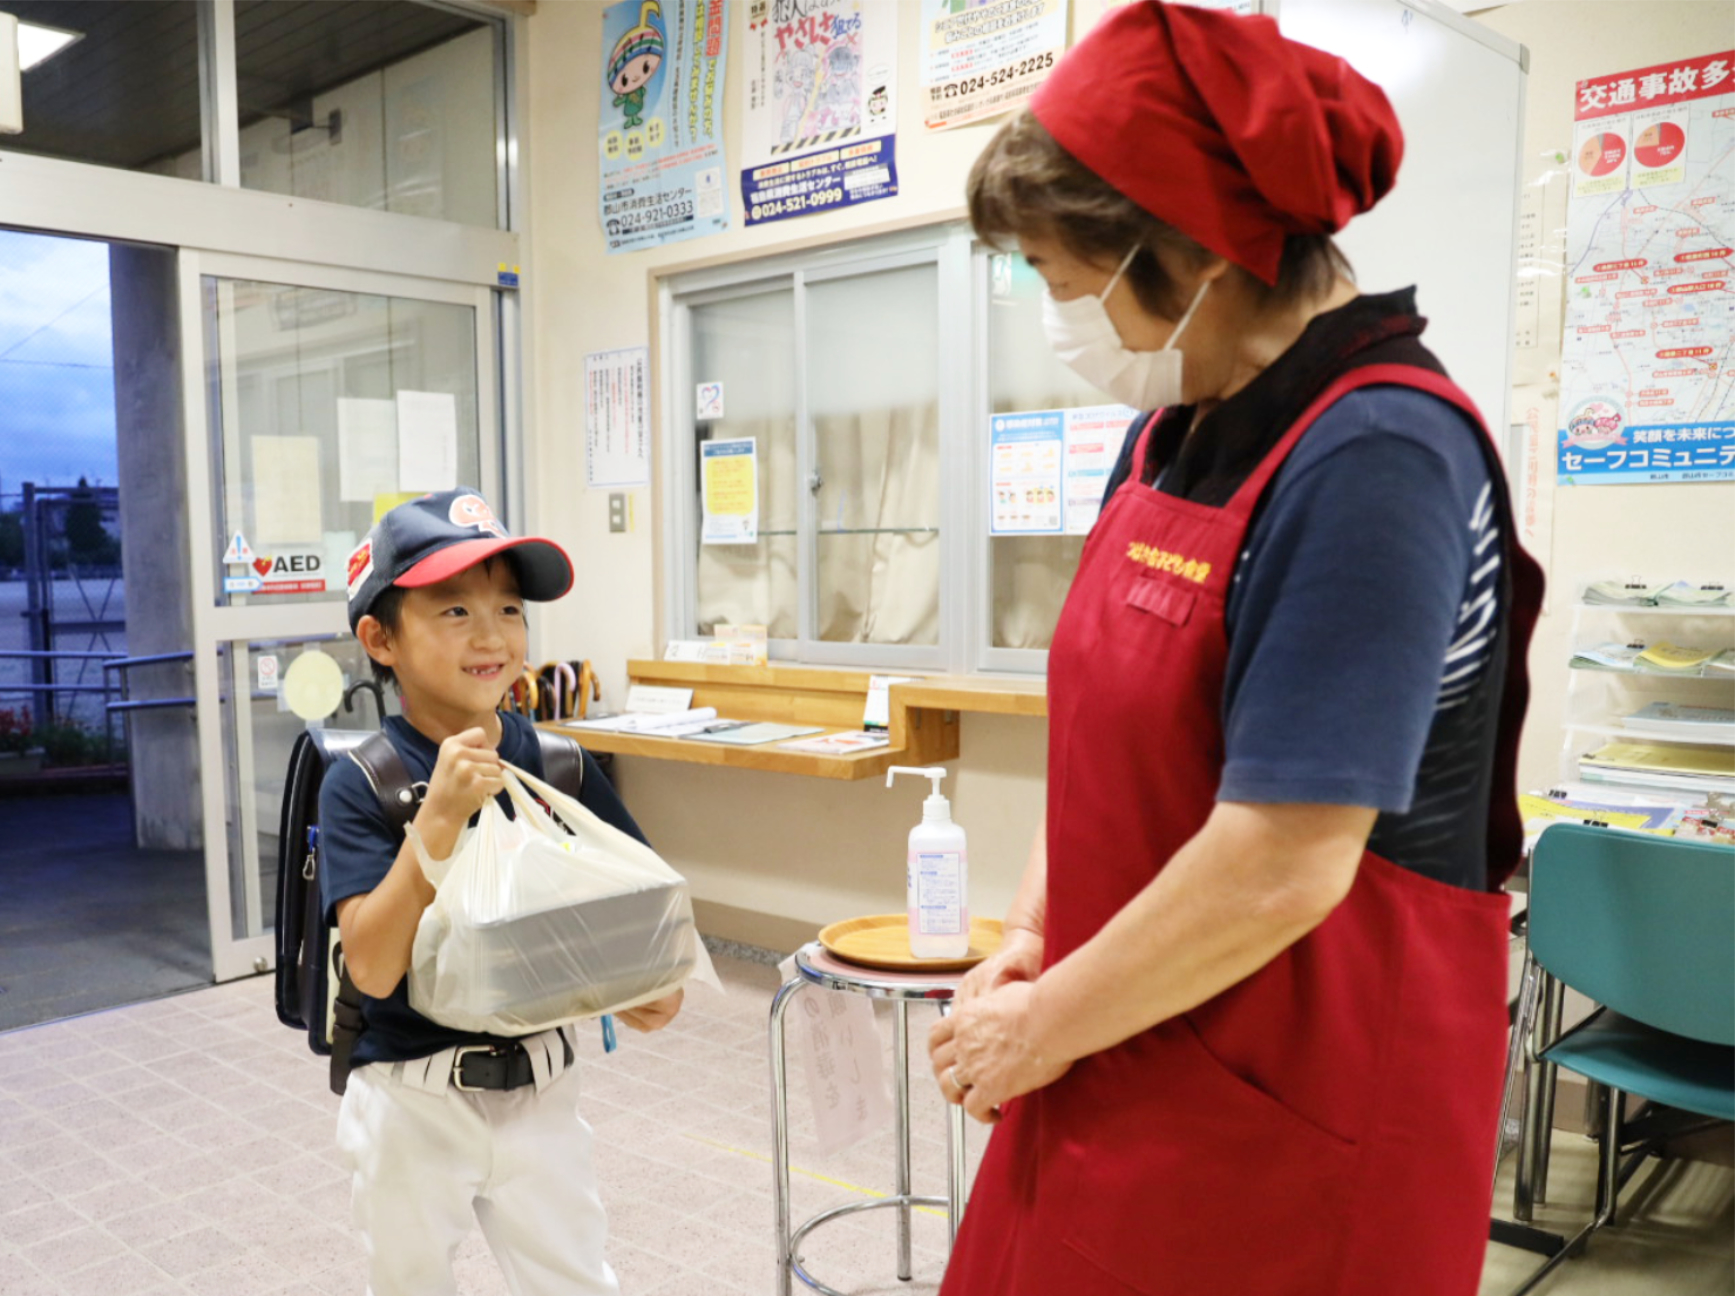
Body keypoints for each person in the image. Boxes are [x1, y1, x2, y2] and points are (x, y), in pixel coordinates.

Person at [927, 5, 1544, 1295]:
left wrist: (1041, 1024)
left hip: (1292, 1096)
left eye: (1056, 277)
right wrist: (1038, 930)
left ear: (1177, 249)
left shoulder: (1377, 455)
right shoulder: (1173, 426)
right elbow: (1108, 741)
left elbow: (1281, 860)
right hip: (1121, 1026)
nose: (1056, 316)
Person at [322, 488, 683, 1296]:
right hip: (411, 1102)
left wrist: (647, 987)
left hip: (543, 1089)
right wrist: (438, 820)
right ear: (380, 638)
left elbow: (649, 944)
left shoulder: (557, 765)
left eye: (510, 608)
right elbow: (372, 971)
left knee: (576, 1281)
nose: (492, 636)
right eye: (452, 612)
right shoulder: (363, 785)